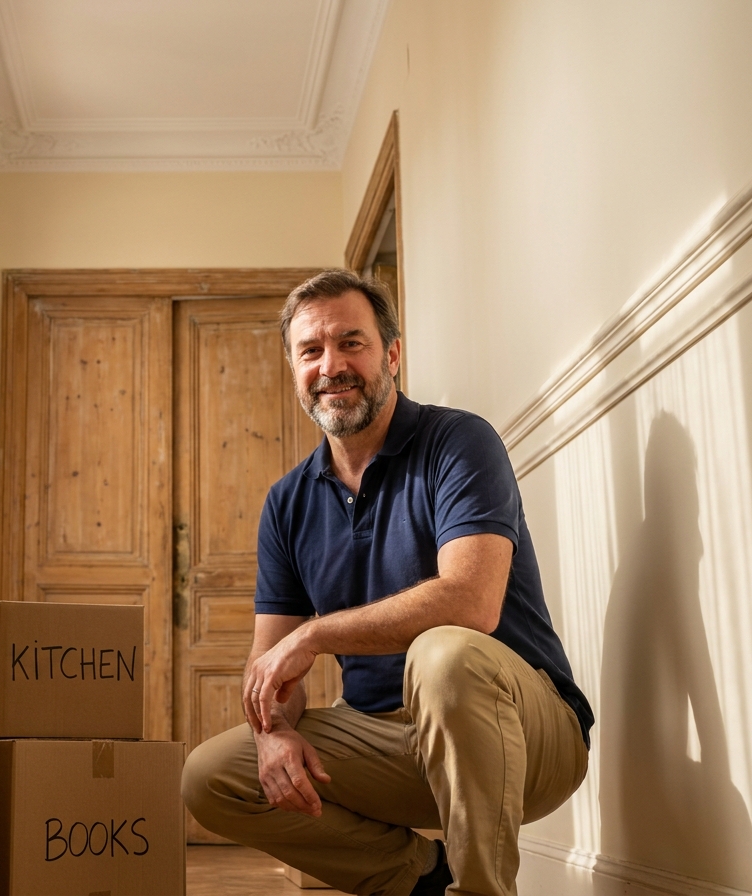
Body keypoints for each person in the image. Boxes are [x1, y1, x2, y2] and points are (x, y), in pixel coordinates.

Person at [181, 269, 593, 896]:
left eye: (352, 343)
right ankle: (423, 879)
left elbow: (471, 604)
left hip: (525, 734)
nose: (332, 365)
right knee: (211, 775)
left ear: (391, 355)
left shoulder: (459, 442)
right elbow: (273, 667)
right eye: (311, 350)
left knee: (445, 651)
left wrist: (317, 634)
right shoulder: (287, 503)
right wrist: (276, 731)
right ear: (294, 368)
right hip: (388, 741)